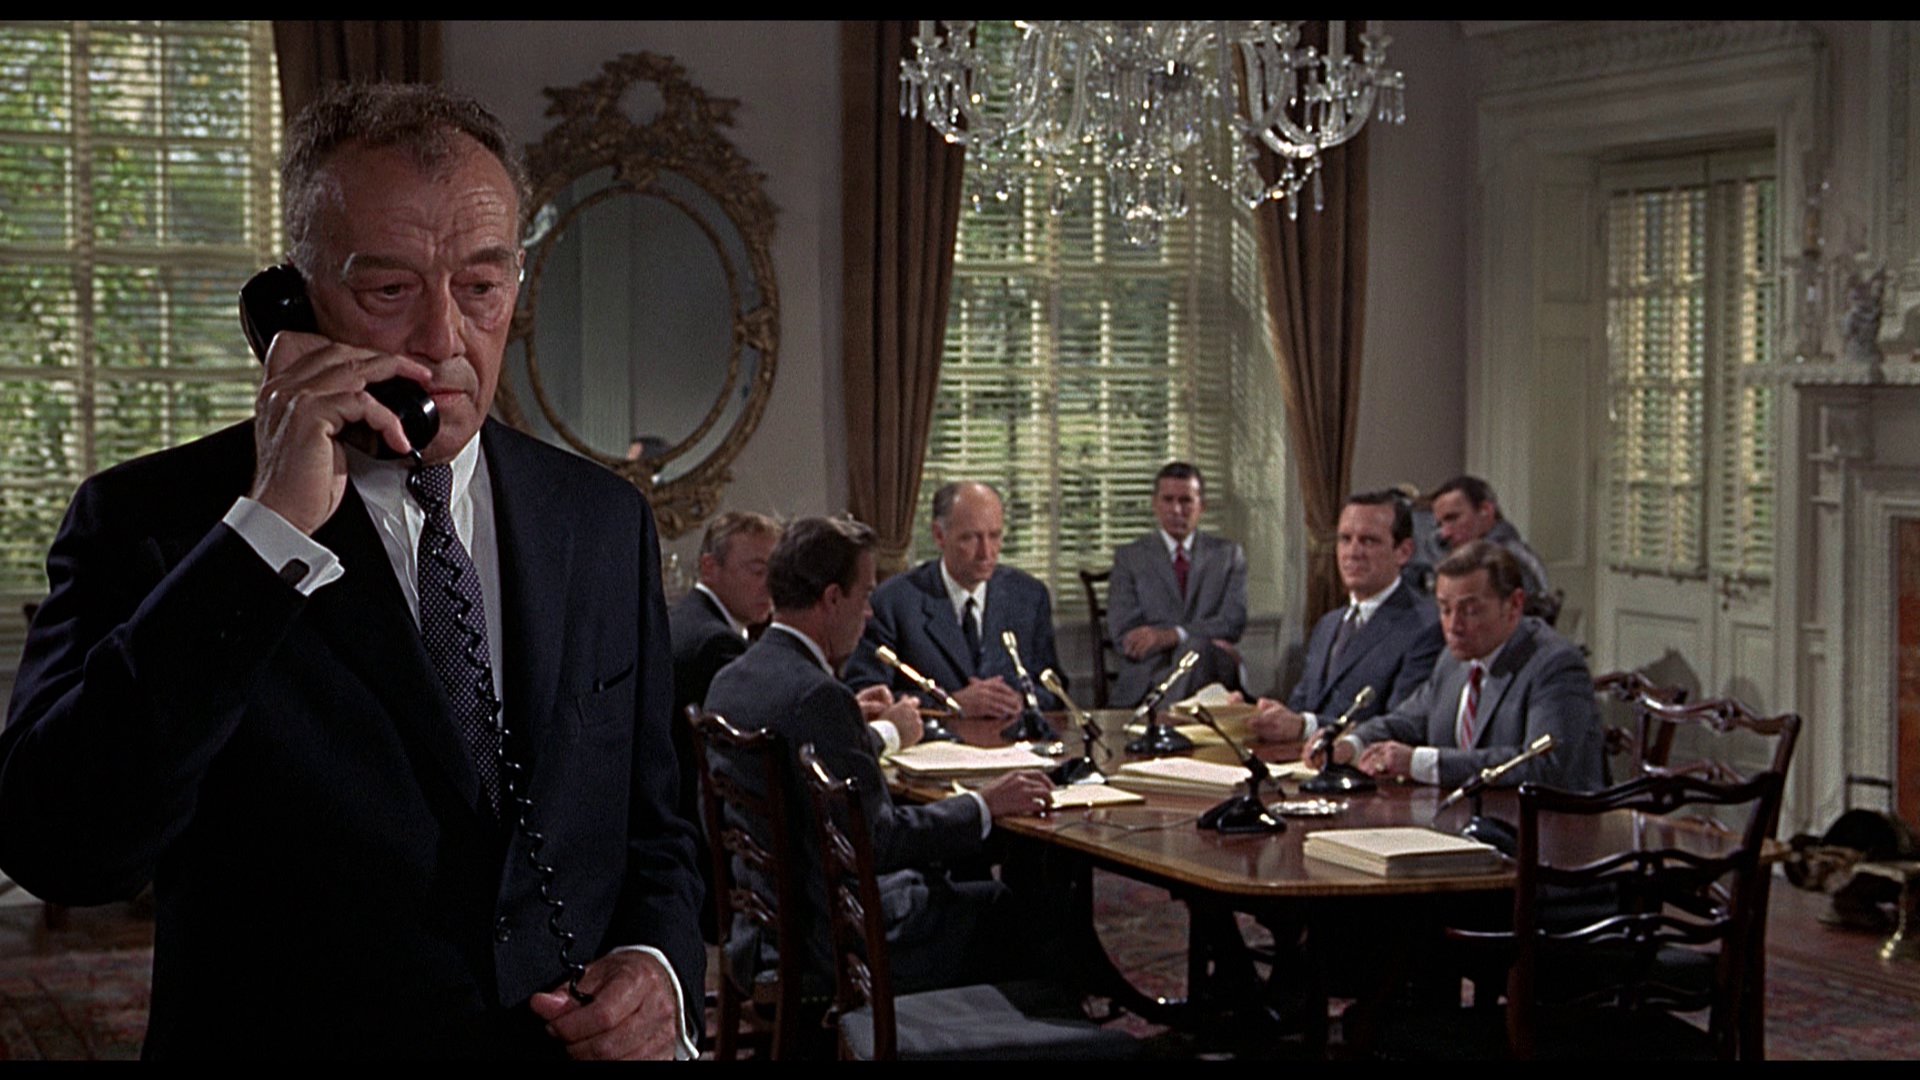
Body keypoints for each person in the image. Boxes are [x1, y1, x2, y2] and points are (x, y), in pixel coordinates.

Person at [0, 84, 702, 1060]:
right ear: (292, 301)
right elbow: (64, 849)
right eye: (389, 292)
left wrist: (659, 970)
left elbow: (656, 834)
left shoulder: (602, 519)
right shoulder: (149, 523)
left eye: (481, 287)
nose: (444, 341)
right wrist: (266, 534)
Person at [703, 517, 1055, 997]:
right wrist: (983, 805)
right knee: (1015, 911)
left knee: (937, 882)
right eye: (865, 595)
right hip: (832, 945)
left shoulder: (732, 680)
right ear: (832, 599)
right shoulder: (819, 697)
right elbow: (879, 840)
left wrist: (863, 731)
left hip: (763, 932)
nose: (868, 612)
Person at [1311, 540, 1603, 791]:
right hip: (1460, 819)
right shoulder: (1452, 659)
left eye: (1470, 611)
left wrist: (1421, 763)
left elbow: (1544, 766)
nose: (1453, 626)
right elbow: (1407, 721)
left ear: (1514, 605)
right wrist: (1352, 743)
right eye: (1445, 609)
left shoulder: (1555, 665)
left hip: (1548, 827)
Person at [844, 481, 1063, 721]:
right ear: (939, 535)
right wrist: (951, 703)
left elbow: (1055, 690)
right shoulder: (893, 602)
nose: (986, 552)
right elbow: (867, 697)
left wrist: (1020, 701)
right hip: (933, 741)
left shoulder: (1028, 596)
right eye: (970, 538)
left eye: (995, 536)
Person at [1250, 490, 1442, 743]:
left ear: (1403, 552)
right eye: (1345, 539)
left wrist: (1305, 726)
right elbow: (1300, 707)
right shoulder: (1328, 624)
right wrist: (1253, 713)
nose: (1353, 552)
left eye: (1368, 541)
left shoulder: (1425, 627)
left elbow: (1400, 725)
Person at [1105, 462, 1248, 707]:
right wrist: (1200, 633)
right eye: (1168, 500)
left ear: (1202, 506)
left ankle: (1166, 721)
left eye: (1186, 501)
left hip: (1212, 671)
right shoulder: (1130, 558)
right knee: (1194, 650)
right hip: (1148, 675)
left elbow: (1232, 622)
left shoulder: (1227, 555)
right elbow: (1125, 634)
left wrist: (1171, 636)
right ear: (1155, 504)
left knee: (1196, 651)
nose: (1176, 510)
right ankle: (1173, 716)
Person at [670, 510, 781, 719]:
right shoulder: (717, 644)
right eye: (758, 571)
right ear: (709, 568)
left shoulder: (686, 614)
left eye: (776, 572)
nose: (771, 586)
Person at [1413, 475, 1551, 603]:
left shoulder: (1512, 560)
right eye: (1440, 524)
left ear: (1485, 510)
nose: (1445, 533)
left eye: (1453, 518)